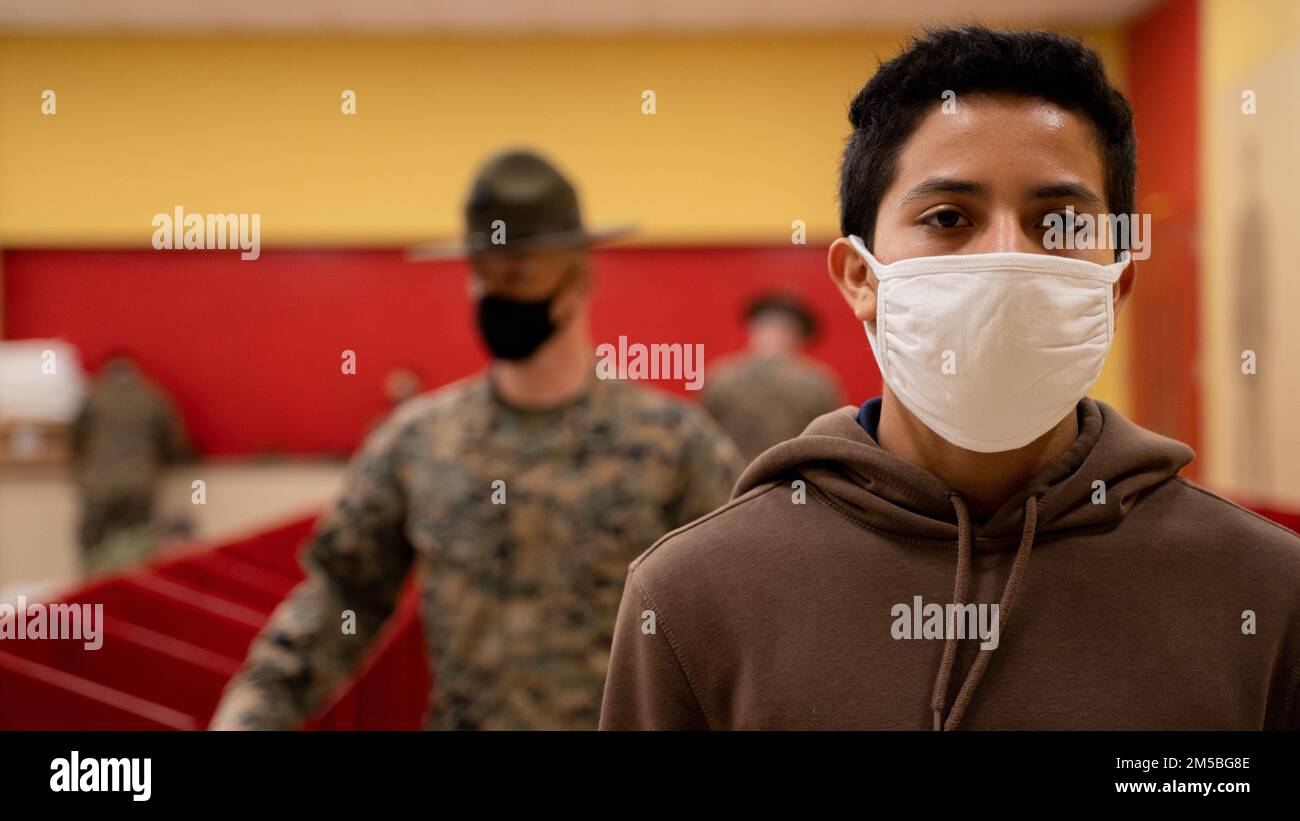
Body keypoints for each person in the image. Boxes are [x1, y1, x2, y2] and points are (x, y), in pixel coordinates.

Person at [600, 26, 1300, 730]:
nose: (1005, 258)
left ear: (1115, 284)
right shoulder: (694, 595)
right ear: (859, 278)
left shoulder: (1265, 590)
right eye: (948, 217)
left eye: (1056, 223)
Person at [210, 149, 743, 730]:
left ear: (579, 278)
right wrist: (249, 716)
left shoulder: (675, 447)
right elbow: (342, 598)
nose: (494, 296)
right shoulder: (418, 443)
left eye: (517, 275)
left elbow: (736, 620)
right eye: (482, 276)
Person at [71, 355, 190, 574]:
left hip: (98, 486)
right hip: (140, 484)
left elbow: (75, 438)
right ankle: (132, 599)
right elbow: (174, 441)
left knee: (92, 549)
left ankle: (91, 597)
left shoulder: (93, 396)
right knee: (139, 548)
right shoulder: (152, 395)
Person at [702, 292, 842, 462]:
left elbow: (704, 436)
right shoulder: (818, 382)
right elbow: (833, 439)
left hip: (735, 479)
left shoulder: (721, 375)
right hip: (792, 480)